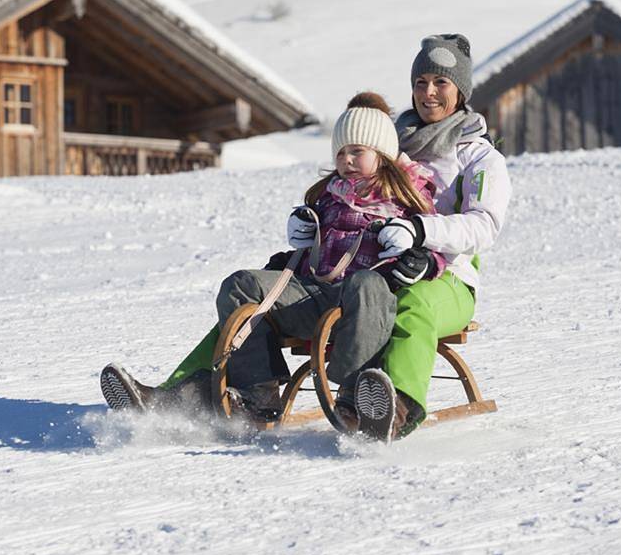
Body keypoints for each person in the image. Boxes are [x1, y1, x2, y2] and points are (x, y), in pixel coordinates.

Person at [100, 92, 445, 425]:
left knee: (366, 283)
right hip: (316, 295)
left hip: (367, 306)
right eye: (340, 153)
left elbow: (435, 250)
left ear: (383, 153)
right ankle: (256, 396)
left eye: (357, 151)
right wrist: (301, 239)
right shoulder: (327, 195)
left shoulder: (407, 198)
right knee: (240, 286)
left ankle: (358, 399)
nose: (347, 161)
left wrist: (421, 258)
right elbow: (309, 248)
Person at [351, 33, 512, 440]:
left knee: (413, 304)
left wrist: (423, 232)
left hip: (450, 280)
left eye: (441, 82)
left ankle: (397, 407)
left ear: (461, 90)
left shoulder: (478, 157)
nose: (429, 92)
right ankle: (195, 387)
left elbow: (483, 225)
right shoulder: (388, 145)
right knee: (272, 290)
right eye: (421, 82)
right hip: (377, 267)